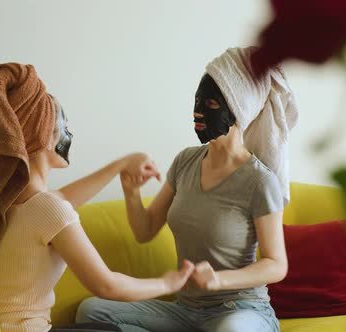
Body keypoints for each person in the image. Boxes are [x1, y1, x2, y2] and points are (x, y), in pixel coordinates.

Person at [76, 47, 299, 332]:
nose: (198, 110)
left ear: (237, 109)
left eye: (210, 103)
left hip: (240, 311)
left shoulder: (259, 181)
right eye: (196, 100)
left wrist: (220, 280)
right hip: (186, 312)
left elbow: (275, 265)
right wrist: (131, 192)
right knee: (92, 311)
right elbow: (145, 230)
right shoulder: (185, 161)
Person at [0, 63, 195, 332]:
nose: (70, 135)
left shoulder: (5, 201)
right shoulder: (48, 209)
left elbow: (61, 199)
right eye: (65, 127)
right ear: (43, 137)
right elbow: (105, 284)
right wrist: (169, 283)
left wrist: (122, 165)